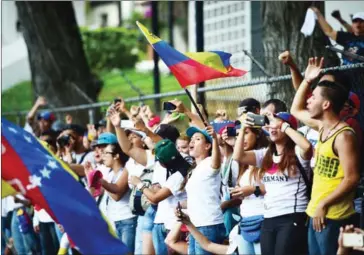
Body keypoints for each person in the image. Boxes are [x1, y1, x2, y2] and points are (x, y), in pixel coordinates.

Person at [291, 57, 360, 255]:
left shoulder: (344, 136)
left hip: (335, 216)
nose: (309, 100)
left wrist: (324, 204)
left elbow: (352, 178)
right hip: (316, 212)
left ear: (326, 104)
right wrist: (307, 81)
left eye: (313, 97)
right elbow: (295, 110)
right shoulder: (322, 126)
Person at [231, 111, 312, 255]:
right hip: (269, 217)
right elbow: (239, 156)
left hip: (292, 215)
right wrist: (243, 129)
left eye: (277, 125)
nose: (273, 128)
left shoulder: (297, 151)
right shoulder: (266, 154)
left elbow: (307, 147)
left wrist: (284, 127)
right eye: (270, 125)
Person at [129, 139, 191, 255]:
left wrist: (139, 184)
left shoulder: (180, 174)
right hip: (164, 221)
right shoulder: (178, 165)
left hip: (173, 226)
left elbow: (155, 198)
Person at [86, 142, 137, 253]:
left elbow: (117, 195)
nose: (103, 156)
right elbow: (95, 192)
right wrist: (89, 175)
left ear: (116, 156)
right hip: (114, 221)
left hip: (127, 220)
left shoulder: (124, 172)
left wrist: (102, 182)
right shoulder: (110, 174)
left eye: (106, 153)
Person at [229, 120, 269, 255]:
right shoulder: (243, 165)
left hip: (262, 219)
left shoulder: (265, 157)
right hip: (245, 220)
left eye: (245, 133)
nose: (242, 138)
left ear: (257, 134)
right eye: (239, 134)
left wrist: (253, 189)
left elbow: (275, 189)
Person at [185, 125, 226, 255]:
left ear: (207, 146)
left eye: (197, 139)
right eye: (191, 139)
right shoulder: (194, 170)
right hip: (196, 225)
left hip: (208, 225)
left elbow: (216, 164)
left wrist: (214, 138)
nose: (192, 141)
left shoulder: (209, 162)